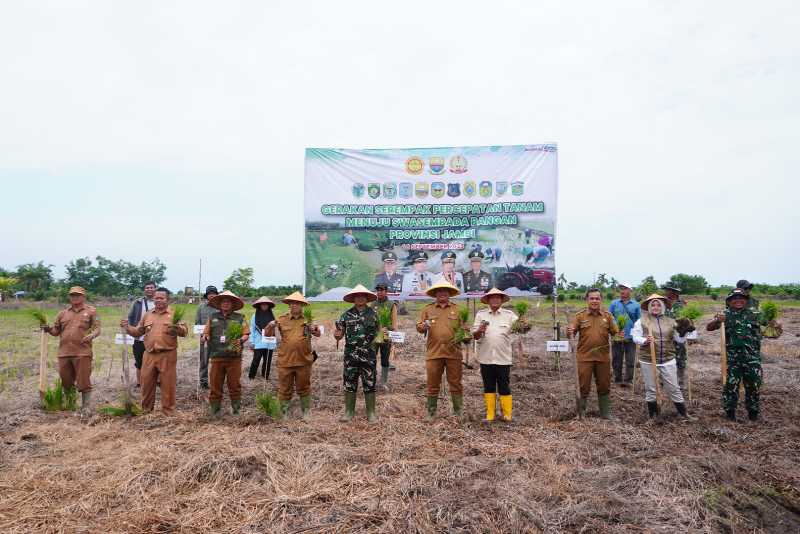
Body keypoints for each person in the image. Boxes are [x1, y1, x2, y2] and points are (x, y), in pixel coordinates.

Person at [121, 287, 187, 415]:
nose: (158, 300)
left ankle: (168, 412)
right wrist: (127, 327)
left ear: (167, 299)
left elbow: (184, 332)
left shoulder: (174, 314)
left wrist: (177, 328)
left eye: (161, 298)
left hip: (167, 354)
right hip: (149, 354)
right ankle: (146, 411)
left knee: (168, 385)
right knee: (146, 384)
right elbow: (138, 332)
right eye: (156, 298)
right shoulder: (148, 315)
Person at [631, 294, 696, 420]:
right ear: (649, 307)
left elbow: (680, 340)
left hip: (667, 359)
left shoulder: (671, 322)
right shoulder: (643, 321)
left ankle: (684, 414)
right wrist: (645, 340)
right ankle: (653, 416)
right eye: (653, 305)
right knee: (651, 389)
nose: (656, 307)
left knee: (673, 387)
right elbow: (635, 337)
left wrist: (685, 331)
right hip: (648, 359)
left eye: (658, 305)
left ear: (663, 307)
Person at [42, 286, 101, 414]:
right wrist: (48, 329)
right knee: (66, 381)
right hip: (64, 353)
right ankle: (71, 405)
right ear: (69, 297)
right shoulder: (62, 313)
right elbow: (56, 331)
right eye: (73, 295)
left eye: (78, 295)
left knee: (83, 381)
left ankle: (86, 407)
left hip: (82, 353)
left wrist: (92, 335)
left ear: (83, 297)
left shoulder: (91, 311)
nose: (75, 297)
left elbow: (97, 329)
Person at [707, 289, 763, 421]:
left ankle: (753, 413)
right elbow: (708, 327)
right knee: (731, 386)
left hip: (752, 359)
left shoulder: (755, 314)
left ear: (746, 300)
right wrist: (717, 321)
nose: (738, 300)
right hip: (733, 359)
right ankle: (730, 413)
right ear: (729, 301)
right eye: (734, 298)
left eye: (741, 297)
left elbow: (773, 330)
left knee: (754, 385)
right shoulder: (724, 314)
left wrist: (776, 325)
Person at [265, 291, 320, 420]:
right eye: (292, 303)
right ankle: (283, 413)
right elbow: (268, 335)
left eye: (298, 303)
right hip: (286, 360)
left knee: (304, 387)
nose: (295, 305)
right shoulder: (281, 319)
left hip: (304, 360)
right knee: (284, 388)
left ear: (302, 305)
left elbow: (318, 334)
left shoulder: (308, 319)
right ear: (289, 305)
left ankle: (306, 413)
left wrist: (314, 329)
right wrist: (270, 326)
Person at [567, 288, 619, 419]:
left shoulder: (608, 316)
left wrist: (619, 333)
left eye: (597, 298)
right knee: (583, 385)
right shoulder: (580, 316)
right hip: (584, 357)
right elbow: (571, 332)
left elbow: (615, 333)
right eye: (592, 298)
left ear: (601, 300)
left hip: (603, 357)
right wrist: (569, 331)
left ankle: (606, 413)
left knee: (604, 384)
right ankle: (581, 413)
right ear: (587, 300)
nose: (594, 301)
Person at [416, 280, 463, 420]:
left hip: (453, 353)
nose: (442, 293)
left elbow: (465, 329)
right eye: (439, 290)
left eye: (445, 290)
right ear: (435, 293)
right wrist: (423, 327)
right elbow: (419, 327)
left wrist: (465, 334)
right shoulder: (428, 309)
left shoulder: (458, 309)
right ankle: (431, 413)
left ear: (449, 293)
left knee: (455, 383)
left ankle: (458, 412)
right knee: (432, 383)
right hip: (434, 353)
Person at [334, 285, 380, 422]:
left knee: (370, 382)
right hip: (351, 357)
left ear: (366, 298)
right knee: (349, 382)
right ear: (353, 298)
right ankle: (349, 412)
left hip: (368, 356)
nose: (360, 298)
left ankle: (371, 413)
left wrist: (383, 336)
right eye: (357, 296)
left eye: (363, 296)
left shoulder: (374, 315)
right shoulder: (346, 315)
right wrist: (336, 335)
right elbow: (339, 335)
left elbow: (380, 335)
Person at [201, 290, 250, 417]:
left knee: (234, 385)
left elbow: (246, 334)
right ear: (220, 304)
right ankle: (215, 410)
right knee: (215, 385)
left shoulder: (240, 318)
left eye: (228, 302)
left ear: (232, 304)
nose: (226, 304)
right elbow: (206, 333)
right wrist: (205, 337)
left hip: (234, 358)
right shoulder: (213, 317)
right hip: (217, 356)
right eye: (224, 302)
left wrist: (240, 340)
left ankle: (236, 410)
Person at [472, 288, 518, 422]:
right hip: (485, 357)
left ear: (502, 300)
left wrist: (524, 319)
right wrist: (479, 330)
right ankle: (490, 414)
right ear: (488, 300)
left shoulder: (509, 315)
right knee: (488, 386)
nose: (495, 300)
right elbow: (474, 336)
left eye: (498, 297)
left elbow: (521, 327)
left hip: (503, 357)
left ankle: (507, 415)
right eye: (492, 298)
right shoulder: (481, 315)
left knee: (504, 386)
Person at [608, 283, 641, 386]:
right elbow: (609, 317)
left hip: (631, 337)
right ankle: (617, 379)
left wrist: (637, 334)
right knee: (616, 359)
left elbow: (638, 321)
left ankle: (628, 380)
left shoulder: (636, 305)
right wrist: (613, 330)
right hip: (617, 336)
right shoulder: (614, 303)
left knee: (630, 360)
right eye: (621, 289)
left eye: (625, 289)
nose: (622, 291)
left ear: (630, 291)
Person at [127, 281, 156, 388]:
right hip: (139, 337)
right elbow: (130, 317)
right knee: (139, 361)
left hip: (155, 338)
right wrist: (131, 329)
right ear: (144, 290)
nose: (149, 289)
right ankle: (139, 383)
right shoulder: (137, 302)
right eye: (147, 287)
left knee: (154, 361)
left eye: (151, 287)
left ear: (155, 289)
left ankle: (154, 381)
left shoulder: (159, 302)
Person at [662, 283, 689, 392]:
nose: (668, 292)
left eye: (671, 290)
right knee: (665, 358)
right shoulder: (662, 303)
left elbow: (688, 320)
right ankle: (664, 380)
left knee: (681, 359)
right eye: (667, 290)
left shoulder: (682, 304)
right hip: (665, 336)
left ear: (675, 292)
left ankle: (680, 381)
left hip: (679, 336)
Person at [372, 283, 398, 390]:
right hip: (374, 336)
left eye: (382, 290)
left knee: (385, 359)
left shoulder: (391, 304)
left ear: (386, 291)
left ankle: (383, 382)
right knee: (372, 358)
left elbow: (394, 323)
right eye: (378, 290)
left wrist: (387, 328)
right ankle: (372, 380)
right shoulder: (373, 304)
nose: (379, 292)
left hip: (386, 335)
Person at [194, 285, 219, 390]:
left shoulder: (219, 307)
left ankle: (216, 381)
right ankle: (203, 381)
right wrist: (202, 335)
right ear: (207, 295)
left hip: (217, 339)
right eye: (210, 294)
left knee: (217, 361)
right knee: (204, 361)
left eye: (214, 294)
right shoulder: (201, 307)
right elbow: (197, 322)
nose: (212, 295)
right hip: (204, 338)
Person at [248, 296, 276, 380]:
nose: (264, 306)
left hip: (269, 342)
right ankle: (251, 376)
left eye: (266, 304)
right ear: (259, 305)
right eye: (262, 304)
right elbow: (252, 329)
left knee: (267, 361)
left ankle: (265, 376)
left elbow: (273, 330)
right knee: (256, 359)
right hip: (258, 342)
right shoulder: (254, 316)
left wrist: (273, 343)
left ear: (268, 306)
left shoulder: (272, 316)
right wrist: (252, 341)